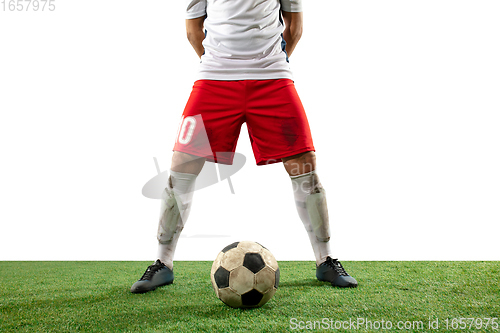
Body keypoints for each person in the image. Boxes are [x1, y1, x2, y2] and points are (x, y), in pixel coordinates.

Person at [131, 0, 358, 294]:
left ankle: (325, 260)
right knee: (181, 169)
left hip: (272, 79)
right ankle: (162, 264)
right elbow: (193, 31)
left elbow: (295, 28)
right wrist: (221, 64)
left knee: (305, 167)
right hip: (214, 80)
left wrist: (267, 64)